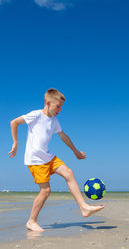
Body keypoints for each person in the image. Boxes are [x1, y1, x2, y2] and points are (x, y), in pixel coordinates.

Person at [9, 88, 104, 232]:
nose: (60, 110)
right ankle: (31, 221)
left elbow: (63, 136)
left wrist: (76, 152)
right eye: (57, 106)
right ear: (48, 103)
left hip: (48, 156)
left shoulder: (54, 121)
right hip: (35, 160)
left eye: (61, 107)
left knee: (69, 173)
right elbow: (14, 122)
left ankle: (84, 208)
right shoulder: (35, 115)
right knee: (45, 191)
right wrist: (16, 143)